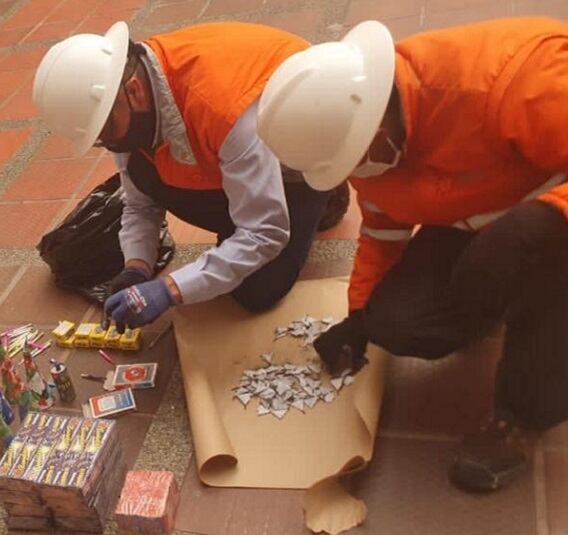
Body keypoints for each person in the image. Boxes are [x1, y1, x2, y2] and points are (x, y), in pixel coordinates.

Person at [257, 17, 568, 493]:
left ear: (377, 114)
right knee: (394, 320)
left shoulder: (518, 80)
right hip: (486, 223)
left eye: (355, 156)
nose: (357, 172)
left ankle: (523, 416)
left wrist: (541, 221)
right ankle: (497, 294)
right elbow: (382, 232)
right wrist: (358, 316)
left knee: (545, 264)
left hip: (550, 222)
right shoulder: (362, 142)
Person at [32, 21, 349, 331]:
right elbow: (140, 204)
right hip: (240, 149)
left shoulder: (222, 110)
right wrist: (136, 268)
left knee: (259, 290)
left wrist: (170, 289)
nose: (110, 144)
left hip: (298, 157)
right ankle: (241, 222)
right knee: (148, 175)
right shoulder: (124, 95)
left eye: (107, 131)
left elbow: (266, 233)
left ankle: (325, 193)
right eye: (100, 138)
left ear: (135, 92)